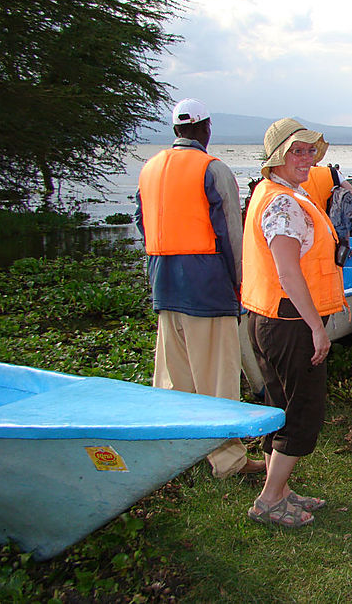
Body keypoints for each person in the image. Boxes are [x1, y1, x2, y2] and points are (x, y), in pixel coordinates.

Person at [136, 98, 265, 478]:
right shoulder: (214, 170)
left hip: (163, 282)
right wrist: (241, 284)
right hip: (206, 287)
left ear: (176, 130)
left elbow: (144, 225)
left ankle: (178, 456)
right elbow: (230, 232)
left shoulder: (150, 168)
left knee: (175, 378)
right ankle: (228, 462)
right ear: (206, 128)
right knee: (218, 378)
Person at [242, 118, 347, 528]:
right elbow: (288, 272)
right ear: (278, 158)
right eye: (296, 151)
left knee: (279, 407)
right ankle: (269, 501)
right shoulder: (283, 202)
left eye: (309, 151)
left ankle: (280, 490)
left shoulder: (280, 193)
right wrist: (317, 329)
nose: (306, 159)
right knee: (301, 412)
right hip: (289, 322)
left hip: (268, 317)